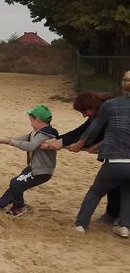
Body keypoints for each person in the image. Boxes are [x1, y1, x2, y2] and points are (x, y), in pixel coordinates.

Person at [69, 71, 130, 237]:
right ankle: (124, 226)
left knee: (95, 192)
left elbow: (94, 128)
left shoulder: (111, 105)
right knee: (127, 192)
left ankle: (81, 224)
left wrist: (79, 144)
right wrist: (99, 144)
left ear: (122, 85)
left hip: (116, 160)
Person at [40, 91, 116, 221]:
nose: (84, 115)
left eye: (84, 112)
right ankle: (114, 215)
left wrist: (62, 142)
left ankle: (112, 216)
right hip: (117, 155)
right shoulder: (97, 115)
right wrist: (57, 139)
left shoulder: (106, 114)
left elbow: (91, 135)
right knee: (115, 185)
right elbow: (79, 131)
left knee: (111, 186)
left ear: (93, 107)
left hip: (120, 154)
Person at [0, 105, 58, 217]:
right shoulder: (35, 132)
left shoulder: (45, 134)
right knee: (15, 185)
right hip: (33, 167)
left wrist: (11, 142)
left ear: (37, 120)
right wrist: (3, 140)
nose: (30, 122)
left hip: (42, 171)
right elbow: (19, 139)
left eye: (31, 120)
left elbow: (30, 146)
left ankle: (19, 206)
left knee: (16, 183)